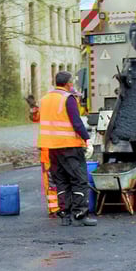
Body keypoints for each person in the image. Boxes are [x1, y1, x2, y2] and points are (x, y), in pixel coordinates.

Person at [36, 71, 97, 226]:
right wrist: (87, 139)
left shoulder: (45, 99)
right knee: (79, 180)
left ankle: (65, 215)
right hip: (69, 146)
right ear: (68, 83)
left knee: (61, 181)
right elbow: (76, 122)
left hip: (51, 148)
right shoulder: (68, 98)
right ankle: (80, 215)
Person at [28, 95, 60, 218]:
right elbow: (35, 117)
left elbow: (35, 117)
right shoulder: (61, 109)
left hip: (53, 151)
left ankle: (56, 207)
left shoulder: (48, 110)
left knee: (54, 181)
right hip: (51, 151)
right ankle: (54, 208)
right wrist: (33, 108)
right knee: (53, 181)